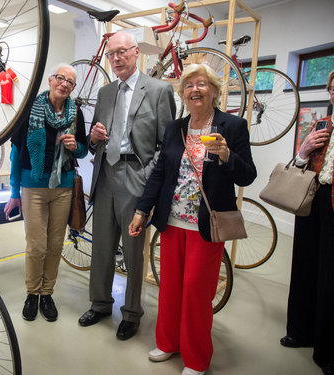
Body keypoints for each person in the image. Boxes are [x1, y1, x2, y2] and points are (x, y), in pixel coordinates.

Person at [128, 63, 256, 375]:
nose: (194, 90)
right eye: (189, 85)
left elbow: (248, 175)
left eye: (202, 84)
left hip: (205, 224)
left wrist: (227, 156)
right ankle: (168, 342)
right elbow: (160, 173)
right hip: (171, 223)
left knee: (197, 291)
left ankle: (196, 357)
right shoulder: (176, 128)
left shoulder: (233, 126)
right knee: (170, 286)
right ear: (183, 94)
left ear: (214, 91)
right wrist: (141, 210)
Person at [77, 31, 176, 341]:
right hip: (104, 174)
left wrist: (147, 178)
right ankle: (101, 303)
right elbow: (96, 139)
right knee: (102, 246)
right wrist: (93, 139)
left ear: (136, 53)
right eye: (111, 54)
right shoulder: (105, 93)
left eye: (122, 51)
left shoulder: (159, 91)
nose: (116, 58)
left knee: (133, 251)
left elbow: (167, 144)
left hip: (136, 175)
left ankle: (132, 313)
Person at [4, 63, 88, 322]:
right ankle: (32, 293)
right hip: (34, 186)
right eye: (60, 78)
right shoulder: (31, 109)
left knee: (54, 246)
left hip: (63, 187)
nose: (64, 84)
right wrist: (14, 191)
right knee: (36, 246)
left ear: (73, 88)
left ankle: (47, 293)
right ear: (51, 80)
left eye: (70, 81)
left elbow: (84, 151)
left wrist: (76, 146)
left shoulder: (76, 113)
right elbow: (17, 152)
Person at [280, 71, 334, 375]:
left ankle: (327, 350)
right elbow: (298, 164)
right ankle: (301, 330)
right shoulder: (320, 125)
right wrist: (303, 150)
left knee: (330, 277)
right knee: (304, 265)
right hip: (314, 199)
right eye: (333, 88)